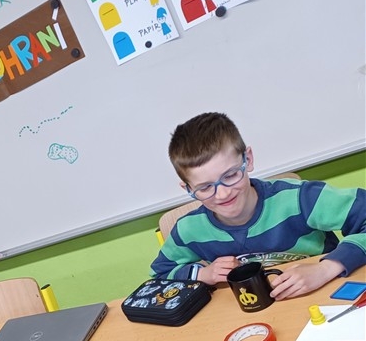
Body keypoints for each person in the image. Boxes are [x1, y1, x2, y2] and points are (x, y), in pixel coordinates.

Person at [150, 112, 366, 297]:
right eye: (205, 187)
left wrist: (326, 269)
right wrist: (203, 274)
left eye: (230, 175)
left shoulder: (299, 198)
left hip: (326, 300)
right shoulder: (189, 230)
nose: (223, 194)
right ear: (188, 188)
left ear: (248, 159)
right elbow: (160, 277)